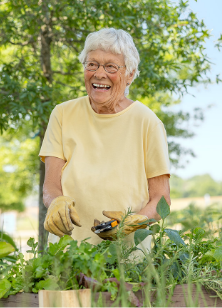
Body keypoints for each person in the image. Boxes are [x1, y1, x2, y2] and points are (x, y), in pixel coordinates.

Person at [39, 28, 171, 246]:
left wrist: (134, 222)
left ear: (129, 74)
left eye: (111, 66)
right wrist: (54, 202)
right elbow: (51, 186)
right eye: (92, 64)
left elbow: (161, 199)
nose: (99, 74)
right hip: (69, 249)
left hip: (126, 253)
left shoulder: (147, 122)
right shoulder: (62, 114)